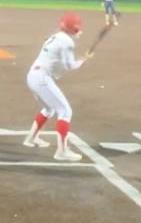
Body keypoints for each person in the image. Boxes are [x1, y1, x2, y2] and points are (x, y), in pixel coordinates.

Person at [21, 12, 92, 162]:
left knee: (49, 109)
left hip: (33, 75)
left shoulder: (56, 36)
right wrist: (83, 59)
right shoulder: (67, 42)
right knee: (65, 111)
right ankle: (62, 151)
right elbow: (69, 66)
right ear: (74, 29)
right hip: (41, 78)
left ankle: (31, 139)